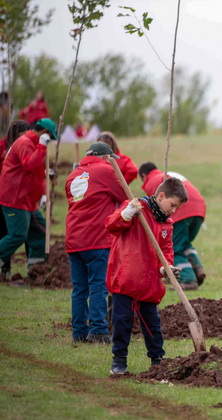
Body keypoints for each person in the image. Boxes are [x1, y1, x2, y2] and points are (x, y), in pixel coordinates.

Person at [106, 177, 188, 374]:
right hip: (125, 277)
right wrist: (127, 214)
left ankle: (158, 360)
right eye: (172, 205)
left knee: (152, 324)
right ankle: (119, 361)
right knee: (122, 322)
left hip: (149, 283)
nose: (174, 211)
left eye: (177, 207)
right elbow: (111, 226)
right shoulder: (135, 207)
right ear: (161, 196)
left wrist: (165, 268)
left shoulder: (167, 224)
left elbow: (166, 251)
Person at [65, 142, 127, 344]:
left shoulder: (73, 175)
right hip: (97, 238)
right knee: (98, 285)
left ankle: (79, 332)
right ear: (106, 157)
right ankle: (99, 330)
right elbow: (124, 196)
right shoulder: (106, 171)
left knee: (79, 288)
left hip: (74, 239)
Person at [0, 118, 57, 276]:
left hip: (28, 201)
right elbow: (29, 165)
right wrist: (42, 147)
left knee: (40, 230)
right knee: (17, 235)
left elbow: (37, 173)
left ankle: (35, 269)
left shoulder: (35, 145)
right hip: (15, 199)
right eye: (51, 138)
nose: (50, 142)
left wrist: (44, 194)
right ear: (44, 133)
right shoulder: (25, 143)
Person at [139, 162, 207, 290]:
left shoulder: (153, 182)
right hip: (199, 210)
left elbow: (154, 207)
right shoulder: (168, 175)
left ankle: (188, 280)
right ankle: (197, 268)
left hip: (183, 214)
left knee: (175, 246)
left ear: (143, 175)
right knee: (184, 243)